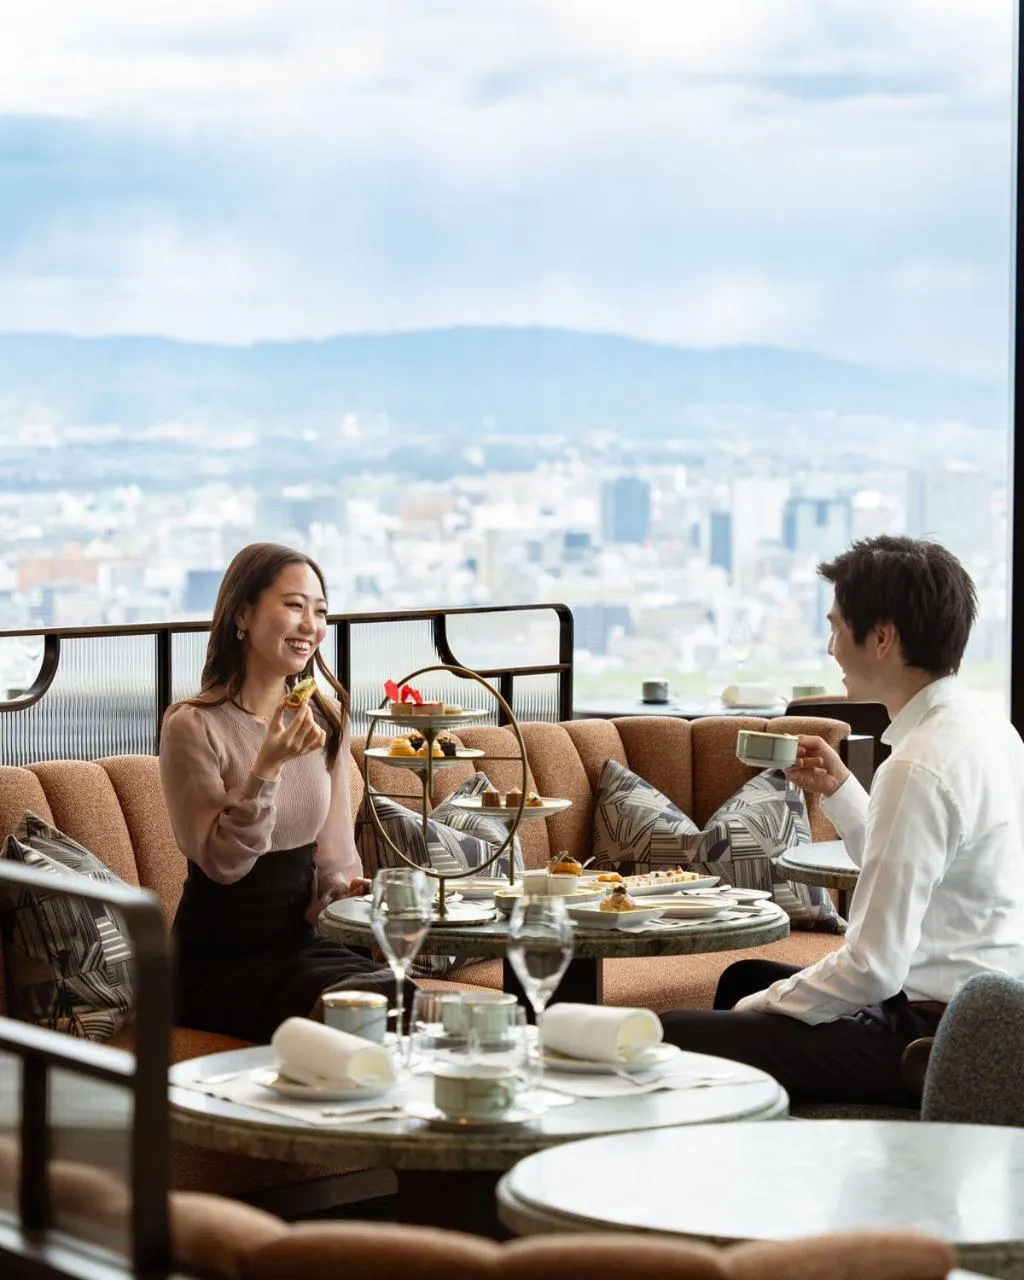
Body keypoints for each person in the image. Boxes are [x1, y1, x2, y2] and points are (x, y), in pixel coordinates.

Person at [661, 535, 1024, 1106]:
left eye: (835, 627)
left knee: (672, 1035)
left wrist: (760, 1009)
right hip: (989, 1017)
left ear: (881, 637)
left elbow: (873, 970)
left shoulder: (918, 765)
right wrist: (841, 791)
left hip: (927, 1038)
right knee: (742, 977)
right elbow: (923, 870)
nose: (830, 647)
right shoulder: (989, 731)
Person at [160, 542, 409, 1044]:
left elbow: (335, 861)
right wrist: (266, 767)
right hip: (217, 960)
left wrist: (345, 893)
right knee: (350, 1013)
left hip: (299, 947)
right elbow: (223, 863)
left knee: (396, 994)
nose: (311, 626)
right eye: (294, 606)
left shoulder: (323, 722)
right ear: (244, 614)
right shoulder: (192, 725)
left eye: (320, 612)